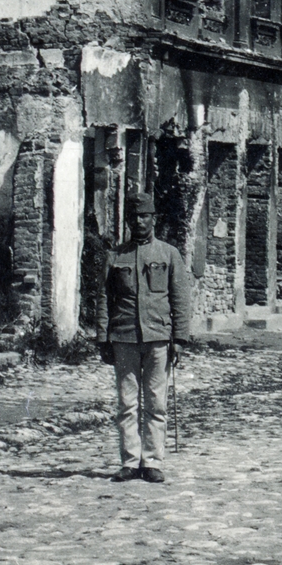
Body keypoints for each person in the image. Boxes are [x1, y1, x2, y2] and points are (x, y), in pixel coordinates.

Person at [95, 194, 192, 484]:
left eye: (144, 216)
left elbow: (180, 298)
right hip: (123, 336)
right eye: (134, 217)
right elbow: (103, 297)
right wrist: (103, 337)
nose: (138, 222)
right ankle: (129, 461)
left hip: (158, 337)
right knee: (126, 403)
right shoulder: (116, 256)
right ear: (128, 220)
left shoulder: (168, 254)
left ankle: (152, 461)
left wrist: (180, 339)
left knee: (155, 403)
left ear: (154, 219)